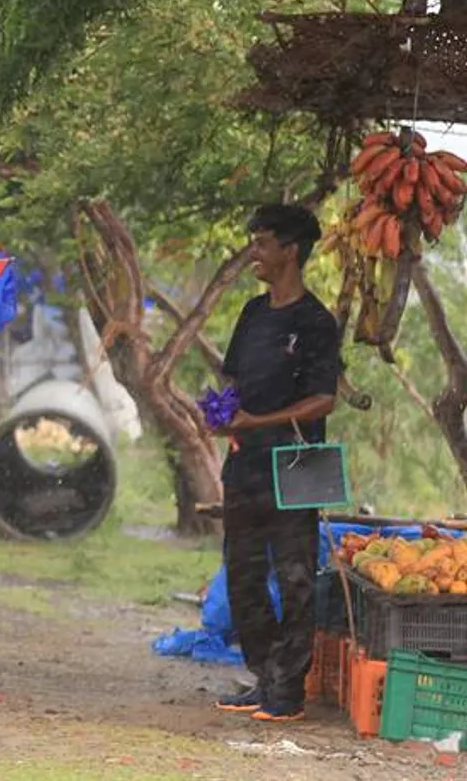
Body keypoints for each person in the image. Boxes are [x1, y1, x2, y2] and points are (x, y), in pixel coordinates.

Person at [213, 203, 341, 723]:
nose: (254, 254)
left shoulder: (315, 322)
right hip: (244, 466)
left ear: (290, 250)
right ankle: (266, 676)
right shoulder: (251, 314)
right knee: (242, 576)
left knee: (295, 579)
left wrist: (255, 421)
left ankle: (288, 692)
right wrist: (220, 417)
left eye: (262, 243)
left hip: (296, 466)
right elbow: (233, 384)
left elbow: (323, 400)